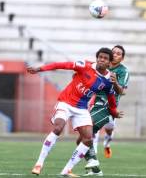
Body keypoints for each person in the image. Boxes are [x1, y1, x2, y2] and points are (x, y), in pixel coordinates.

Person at [27, 47, 123, 177]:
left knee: (88, 139)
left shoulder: (108, 80)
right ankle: (39, 163)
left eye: (105, 58)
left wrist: (114, 112)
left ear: (110, 63)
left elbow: (111, 98)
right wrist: (40, 69)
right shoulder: (84, 65)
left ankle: (66, 170)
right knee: (58, 128)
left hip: (82, 109)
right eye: (100, 57)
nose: (101, 60)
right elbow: (60, 65)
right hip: (65, 102)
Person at [80, 45, 130, 176]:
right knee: (88, 133)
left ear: (122, 58)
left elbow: (122, 92)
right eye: (114, 52)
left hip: (109, 107)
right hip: (96, 103)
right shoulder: (103, 65)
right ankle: (94, 165)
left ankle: (107, 144)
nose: (115, 55)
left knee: (106, 129)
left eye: (119, 53)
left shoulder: (123, 71)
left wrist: (115, 83)